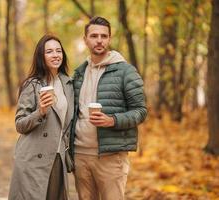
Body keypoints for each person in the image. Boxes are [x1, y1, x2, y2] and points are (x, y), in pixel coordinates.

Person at [70, 16, 147, 200]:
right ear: (85, 39)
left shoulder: (126, 71)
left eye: (104, 36)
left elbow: (141, 111)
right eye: (94, 35)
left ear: (109, 39)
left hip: (111, 157)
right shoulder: (79, 73)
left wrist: (112, 120)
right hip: (80, 155)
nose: (99, 40)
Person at [8, 34, 74, 200]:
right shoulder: (32, 85)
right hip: (33, 160)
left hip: (57, 158)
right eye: (49, 51)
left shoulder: (68, 84)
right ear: (41, 56)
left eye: (59, 51)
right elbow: (20, 124)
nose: (55, 55)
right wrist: (41, 111)